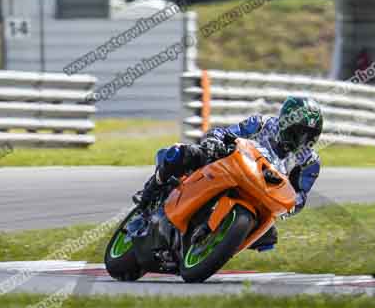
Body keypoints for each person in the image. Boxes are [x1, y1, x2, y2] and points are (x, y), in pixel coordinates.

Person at [135, 96, 324, 252]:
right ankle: (148, 195)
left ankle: (216, 245)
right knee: (181, 153)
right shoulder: (262, 124)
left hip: (262, 193)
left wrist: (289, 205)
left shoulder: (310, 162)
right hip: (231, 165)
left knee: (269, 237)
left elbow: (300, 195)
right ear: (285, 122)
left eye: (309, 135)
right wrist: (215, 140)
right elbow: (226, 132)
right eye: (299, 132)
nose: (303, 139)